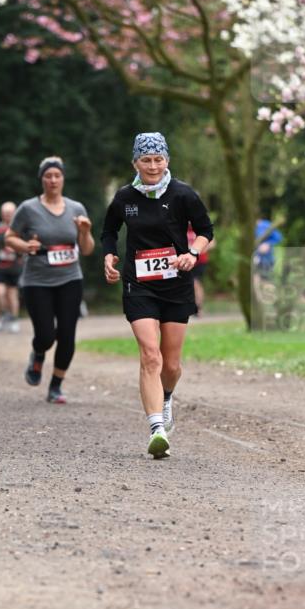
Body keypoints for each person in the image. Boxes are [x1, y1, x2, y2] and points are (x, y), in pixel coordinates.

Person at [102, 132, 213, 459]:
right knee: (150, 355)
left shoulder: (183, 194)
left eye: (158, 159)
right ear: (135, 162)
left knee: (171, 364)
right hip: (140, 284)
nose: (152, 166)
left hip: (177, 283)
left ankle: (166, 398)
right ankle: (156, 429)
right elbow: (109, 231)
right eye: (146, 160)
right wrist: (109, 256)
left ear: (167, 160)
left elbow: (206, 230)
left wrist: (192, 253)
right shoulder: (125, 197)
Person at [4, 156, 94, 404]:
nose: (53, 180)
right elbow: (9, 237)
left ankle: (56, 386)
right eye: (48, 176)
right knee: (45, 334)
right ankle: (38, 353)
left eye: (57, 175)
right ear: (42, 179)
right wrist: (25, 245)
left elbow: (86, 249)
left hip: (70, 278)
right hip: (37, 280)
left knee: (67, 334)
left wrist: (85, 232)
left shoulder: (76, 209)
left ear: (63, 178)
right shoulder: (28, 208)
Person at [0, 201, 22, 332]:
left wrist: (17, 249)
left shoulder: (20, 228)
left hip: (15, 266)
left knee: (12, 294)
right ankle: (3, 314)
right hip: (0, 266)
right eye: (5, 213)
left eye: (10, 213)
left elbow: (26, 244)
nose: (7, 215)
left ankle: (14, 319)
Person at [187, 222, 215, 316]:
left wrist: (198, 250)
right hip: (185, 260)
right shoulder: (181, 226)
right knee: (189, 284)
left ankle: (198, 308)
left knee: (195, 282)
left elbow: (212, 243)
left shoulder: (200, 225)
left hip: (199, 261)